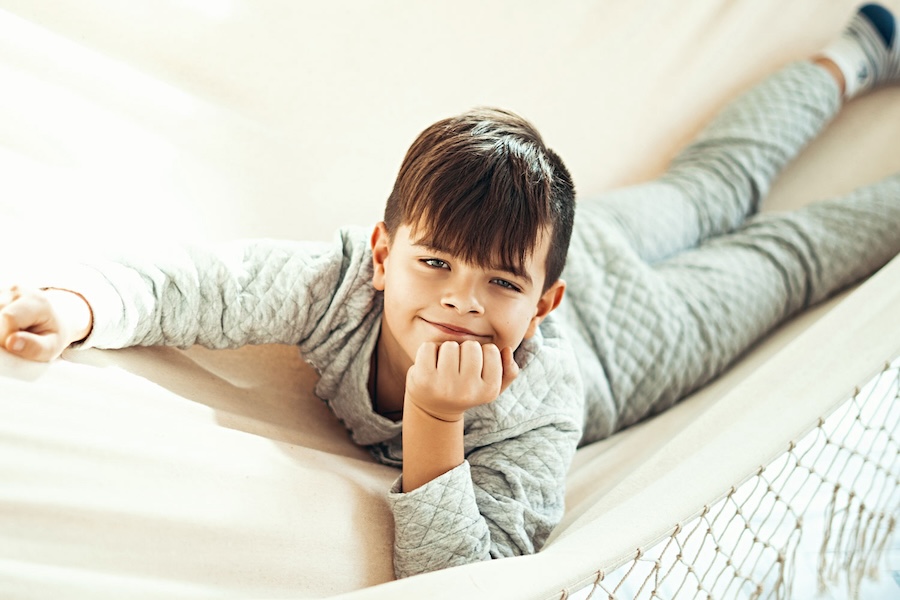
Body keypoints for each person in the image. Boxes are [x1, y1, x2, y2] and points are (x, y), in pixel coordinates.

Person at [1, 3, 898, 580]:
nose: (462, 302)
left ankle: (852, 59)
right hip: (615, 291)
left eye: (500, 284)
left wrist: (435, 421)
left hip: (643, 330)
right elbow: (197, 285)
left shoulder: (536, 399)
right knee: (785, 251)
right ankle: (856, 54)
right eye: (436, 265)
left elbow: (468, 568)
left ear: (542, 301)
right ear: (386, 253)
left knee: (725, 197)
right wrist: (81, 305)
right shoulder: (337, 286)